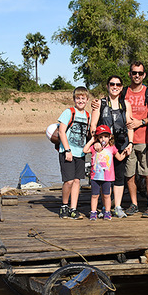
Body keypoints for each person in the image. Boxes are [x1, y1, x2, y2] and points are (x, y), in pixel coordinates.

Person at [90, 76, 134, 218]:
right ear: (107, 86)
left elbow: (130, 125)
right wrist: (95, 141)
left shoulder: (125, 103)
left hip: (121, 145)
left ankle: (118, 206)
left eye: (118, 84)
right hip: (103, 148)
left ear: (122, 87)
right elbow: (93, 125)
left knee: (119, 176)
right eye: (112, 84)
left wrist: (131, 143)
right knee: (103, 178)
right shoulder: (100, 104)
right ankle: (104, 207)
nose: (115, 87)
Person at [121, 62, 148, 218]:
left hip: (144, 139)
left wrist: (141, 122)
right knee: (129, 174)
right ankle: (134, 204)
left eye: (140, 73)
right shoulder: (123, 92)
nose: (137, 75)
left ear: (144, 75)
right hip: (127, 141)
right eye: (134, 72)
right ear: (129, 74)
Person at [57, 86, 90, 220]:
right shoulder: (69, 112)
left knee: (77, 181)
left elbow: (88, 134)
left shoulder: (87, 115)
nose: (80, 101)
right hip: (67, 152)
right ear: (74, 99)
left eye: (83, 98)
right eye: (78, 98)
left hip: (80, 153)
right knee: (68, 181)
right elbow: (61, 131)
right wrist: (67, 150)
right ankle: (64, 205)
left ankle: (73, 208)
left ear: (87, 100)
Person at [83, 125, 127, 220]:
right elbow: (85, 150)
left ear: (110, 137)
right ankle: (93, 212)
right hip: (95, 177)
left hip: (107, 177)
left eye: (106, 136)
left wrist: (125, 152)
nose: (104, 139)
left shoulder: (112, 148)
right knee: (95, 195)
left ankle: (107, 212)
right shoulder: (95, 147)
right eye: (101, 137)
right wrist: (92, 140)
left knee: (107, 195)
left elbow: (119, 158)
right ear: (97, 138)